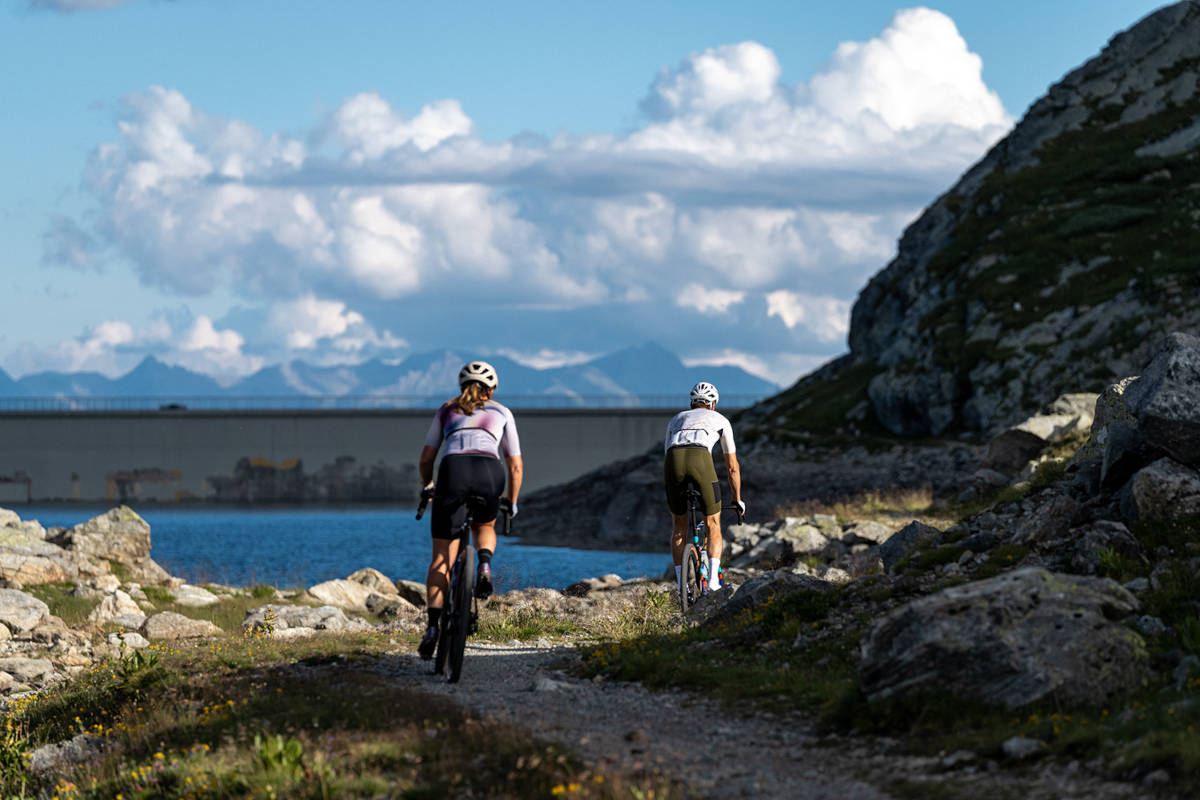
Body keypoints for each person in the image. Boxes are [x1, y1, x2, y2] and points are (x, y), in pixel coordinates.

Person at [416, 360, 522, 659]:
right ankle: (485, 565)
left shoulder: (447, 409)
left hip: (453, 471)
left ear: (461, 386)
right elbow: (515, 464)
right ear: (492, 390)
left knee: (441, 559)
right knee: (485, 526)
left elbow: (426, 459)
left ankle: (434, 627)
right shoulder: (502, 412)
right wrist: (511, 502)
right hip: (490, 471)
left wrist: (428, 485)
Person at [663, 381, 744, 593]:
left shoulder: (676, 419)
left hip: (673, 462)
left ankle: (681, 585)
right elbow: (732, 468)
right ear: (713, 404)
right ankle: (714, 584)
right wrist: (737, 499)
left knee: (679, 527)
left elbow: (667, 455)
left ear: (692, 403)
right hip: (700, 459)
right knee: (713, 522)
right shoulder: (721, 420)